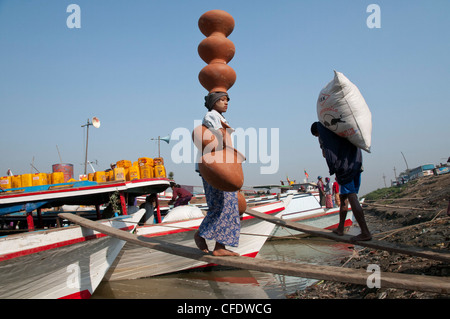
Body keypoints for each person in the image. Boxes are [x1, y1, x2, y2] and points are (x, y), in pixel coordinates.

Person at [194, 92, 240, 256]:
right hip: (214, 167)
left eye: (227, 99)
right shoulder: (211, 116)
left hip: (220, 166)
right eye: (222, 100)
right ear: (213, 102)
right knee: (220, 205)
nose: (226, 102)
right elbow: (220, 138)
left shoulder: (218, 116)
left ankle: (220, 246)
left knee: (228, 206)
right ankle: (201, 235)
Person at [311, 121, 372, 241]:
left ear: (317, 132)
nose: (318, 138)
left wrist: (322, 146)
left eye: (316, 135)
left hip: (345, 169)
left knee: (351, 196)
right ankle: (340, 228)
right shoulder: (338, 130)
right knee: (344, 198)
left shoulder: (326, 136)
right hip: (356, 164)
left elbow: (326, 154)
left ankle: (365, 232)